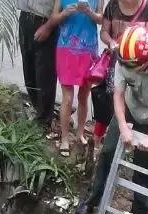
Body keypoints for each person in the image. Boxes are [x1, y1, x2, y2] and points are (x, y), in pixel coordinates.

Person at [75, 25, 148, 214]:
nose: (127, 69)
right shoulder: (123, 57)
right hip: (129, 110)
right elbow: (119, 94)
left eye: (133, 66)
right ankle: (92, 200)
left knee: (144, 163)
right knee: (107, 153)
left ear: (146, 60)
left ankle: (139, 212)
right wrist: (123, 126)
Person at [88, 0, 148, 166]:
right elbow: (104, 31)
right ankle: (97, 144)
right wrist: (112, 42)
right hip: (117, 60)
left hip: (140, 65)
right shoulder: (112, 5)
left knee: (131, 103)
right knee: (108, 100)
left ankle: (124, 145)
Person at [48, 0, 104, 157]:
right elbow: (53, 19)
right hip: (66, 47)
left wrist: (90, 13)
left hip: (88, 49)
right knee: (67, 98)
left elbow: (102, 20)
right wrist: (65, 13)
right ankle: (64, 138)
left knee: (83, 96)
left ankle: (80, 133)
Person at [17, 0, 59, 135]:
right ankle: (39, 111)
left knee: (44, 74)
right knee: (28, 71)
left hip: (43, 21)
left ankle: (44, 120)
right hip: (25, 17)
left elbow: (62, 5)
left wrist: (48, 27)